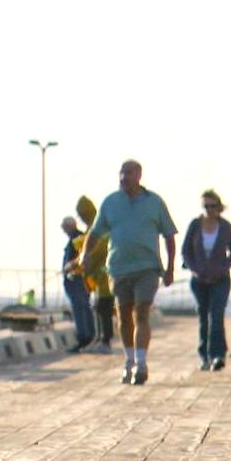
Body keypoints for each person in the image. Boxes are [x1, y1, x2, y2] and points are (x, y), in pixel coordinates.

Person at [84, 159, 177, 385]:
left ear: (139, 175)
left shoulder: (154, 202)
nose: (124, 178)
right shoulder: (111, 202)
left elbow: (169, 235)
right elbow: (95, 233)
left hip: (147, 267)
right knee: (124, 317)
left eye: (129, 173)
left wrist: (170, 267)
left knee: (141, 312)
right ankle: (129, 361)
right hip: (118, 267)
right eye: (121, 173)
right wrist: (85, 254)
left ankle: (141, 363)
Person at [181, 189, 231, 371]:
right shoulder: (195, 225)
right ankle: (204, 355)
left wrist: (223, 268)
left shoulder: (226, 227)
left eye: (213, 206)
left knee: (217, 315)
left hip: (220, 279)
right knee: (203, 317)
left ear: (219, 207)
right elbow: (186, 250)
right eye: (206, 206)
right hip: (199, 280)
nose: (209, 210)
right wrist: (195, 269)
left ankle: (217, 355)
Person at [76, 196, 114, 351]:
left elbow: (97, 251)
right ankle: (99, 339)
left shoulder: (99, 228)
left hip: (105, 277)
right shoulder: (93, 228)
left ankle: (105, 341)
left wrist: (79, 264)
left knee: (104, 309)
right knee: (98, 308)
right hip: (96, 279)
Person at [60, 215, 96, 351]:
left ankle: (84, 337)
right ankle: (88, 336)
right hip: (77, 279)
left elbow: (81, 259)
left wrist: (70, 267)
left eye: (64, 227)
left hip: (76, 279)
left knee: (80, 308)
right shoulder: (77, 238)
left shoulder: (78, 239)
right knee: (84, 307)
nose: (63, 230)